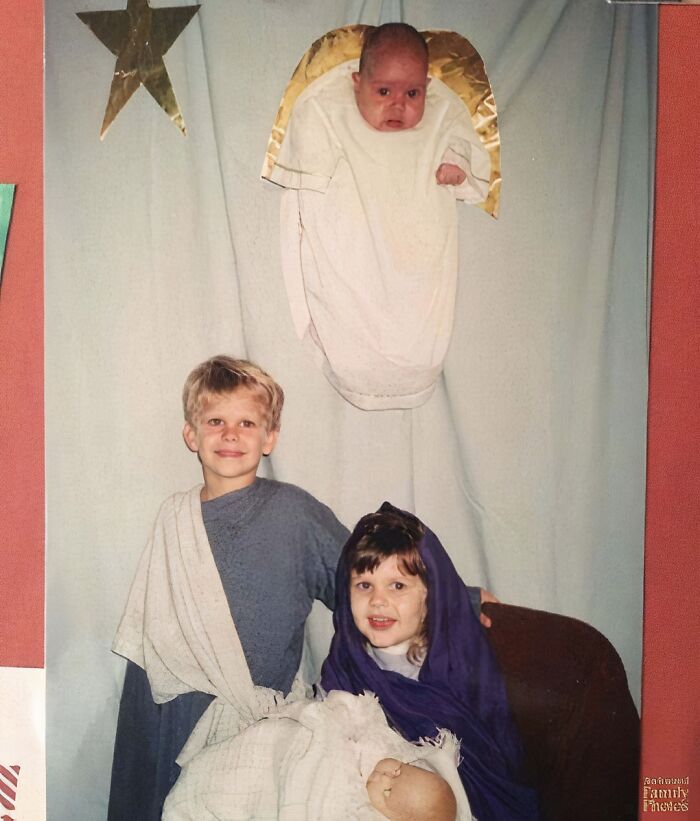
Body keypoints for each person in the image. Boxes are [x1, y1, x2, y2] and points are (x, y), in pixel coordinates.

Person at [107, 355, 489, 819]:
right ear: (192, 435)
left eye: (247, 422)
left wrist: (458, 599)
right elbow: (153, 636)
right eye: (215, 421)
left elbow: (362, 576)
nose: (231, 434)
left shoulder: (294, 513)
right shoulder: (174, 518)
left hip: (256, 727)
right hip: (172, 711)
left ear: (270, 438)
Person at [266, 23, 491, 410]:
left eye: (412, 93)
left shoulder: (441, 120)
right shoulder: (328, 112)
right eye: (383, 91)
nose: (398, 105)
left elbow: (466, 156)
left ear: (427, 89)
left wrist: (456, 165)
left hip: (414, 258)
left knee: (415, 307)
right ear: (357, 82)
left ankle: (413, 363)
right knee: (351, 284)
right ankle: (356, 358)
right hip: (357, 255)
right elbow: (309, 177)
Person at [321, 503, 540, 821]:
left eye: (397, 586)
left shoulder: (455, 662)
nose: (378, 600)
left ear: (429, 598)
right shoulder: (345, 662)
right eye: (364, 585)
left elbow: (484, 761)